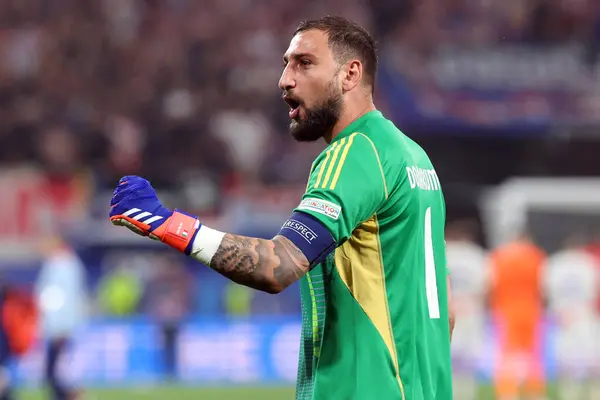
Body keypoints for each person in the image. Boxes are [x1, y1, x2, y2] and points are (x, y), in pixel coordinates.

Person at [109, 16, 453, 399]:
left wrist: (167, 224)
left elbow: (278, 265)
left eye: (304, 63)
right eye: (286, 64)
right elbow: (446, 313)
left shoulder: (355, 152)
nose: (285, 79)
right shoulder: (415, 160)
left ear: (350, 74)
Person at [489, 233, 547, 400]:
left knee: (507, 353)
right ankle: (534, 392)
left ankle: (507, 392)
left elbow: (491, 284)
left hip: (506, 309)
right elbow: (542, 286)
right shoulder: (535, 255)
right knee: (533, 353)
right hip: (530, 309)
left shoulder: (499, 256)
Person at [544, 236, 600, 400]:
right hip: (583, 316)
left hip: (564, 317)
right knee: (591, 363)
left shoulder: (555, 263)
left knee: (569, 365)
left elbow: (546, 291)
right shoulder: (588, 263)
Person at [35, 235, 87, 400]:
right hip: (60, 325)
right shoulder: (68, 264)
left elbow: (59, 297)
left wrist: (59, 326)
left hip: (59, 326)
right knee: (58, 369)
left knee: (58, 370)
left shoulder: (61, 265)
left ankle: (71, 396)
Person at [445, 220, 489, 400]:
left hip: (449, 308)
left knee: (448, 360)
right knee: (469, 364)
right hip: (471, 311)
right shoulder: (478, 256)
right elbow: (486, 287)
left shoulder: (445, 251)